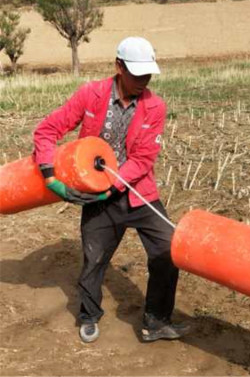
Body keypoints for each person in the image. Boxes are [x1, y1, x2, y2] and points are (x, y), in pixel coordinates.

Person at [33, 37, 190, 344]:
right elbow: (47, 130)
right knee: (94, 258)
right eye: (137, 74)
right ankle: (89, 316)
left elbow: (143, 159)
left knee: (168, 250)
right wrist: (50, 175)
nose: (143, 81)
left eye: (148, 75)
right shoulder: (91, 94)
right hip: (96, 195)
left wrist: (112, 186)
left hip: (138, 191)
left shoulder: (155, 106)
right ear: (119, 67)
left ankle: (155, 321)